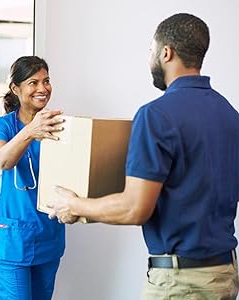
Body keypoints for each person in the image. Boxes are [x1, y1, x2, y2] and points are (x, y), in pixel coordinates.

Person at [47, 13, 239, 299]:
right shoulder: (229, 115)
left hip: (180, 284)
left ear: (166, 52)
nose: (149, 59)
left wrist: (75, 205)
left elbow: (135, 208)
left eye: (151, 51)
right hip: (223, 274)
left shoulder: (156, 115)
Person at [0, 56, 65, 300]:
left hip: (48, 234)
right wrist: (30, 131)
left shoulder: (59, 126)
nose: (43, 89)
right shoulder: (3, 126)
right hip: (12, 238)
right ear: (15, 88)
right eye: (33, 82)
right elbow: (2, 160)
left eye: (47, 81)